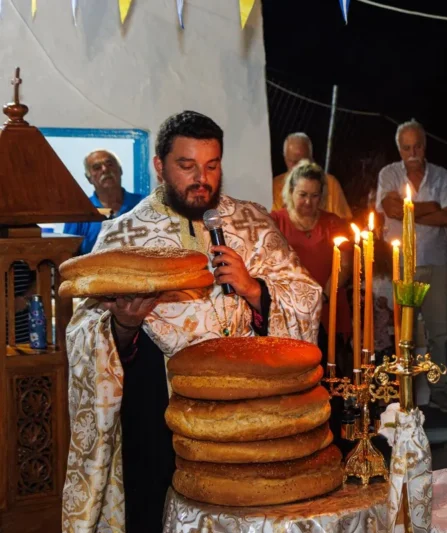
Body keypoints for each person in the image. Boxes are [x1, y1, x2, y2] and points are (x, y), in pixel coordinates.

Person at [61, 111, 322, 533]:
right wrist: (124, 326)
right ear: (159, 166)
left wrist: (255, 289)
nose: (202, 179)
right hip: (160, 410)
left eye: (212, 165)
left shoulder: (253, 222)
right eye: (187, 166)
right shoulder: (123, 235)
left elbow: (306, 294)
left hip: (250, 408)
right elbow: (83, 330)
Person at [376, 119, 447, 413]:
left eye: (417, 147)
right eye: (407, 148)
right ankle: (403, 393)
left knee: (439, 331)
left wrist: (408, 211)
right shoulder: (389, 174)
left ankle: (440, 391)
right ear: (399, 149)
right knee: (403, 332)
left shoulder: (441, 175)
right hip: (402, 266)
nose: (412, 153)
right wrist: (430, 208)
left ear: (425, 146)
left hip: (435, 263)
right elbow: (390, 209)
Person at [270, 159, 352, 362]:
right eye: (303, 195)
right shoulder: (275, 221)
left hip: (328, 309)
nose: (308, 202)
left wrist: (323, 296)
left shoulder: (333, 222)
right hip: (290, 313)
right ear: (290, 192)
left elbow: (345, 265)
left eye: (315, 196)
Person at [63, 150, 143, 255]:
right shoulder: (79, 212)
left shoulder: (144, 204)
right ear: (89, 178)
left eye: (110, 164)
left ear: (120, 170)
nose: (105, 169)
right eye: (97, 168)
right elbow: (67, 254)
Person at [271, 132, 352, 220]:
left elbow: (344, 221)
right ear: (285, 158)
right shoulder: (275, 186)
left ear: (311, 158)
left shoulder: (330, 183)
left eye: (302, 161)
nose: (298, 167)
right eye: (293, 161)